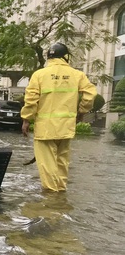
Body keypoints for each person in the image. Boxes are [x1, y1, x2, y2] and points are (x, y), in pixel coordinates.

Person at [21, 42, 97, 192]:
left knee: (47, 165)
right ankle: (61, 192)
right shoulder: (77, 75)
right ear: (66, 57)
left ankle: (51, 198)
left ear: (49, 57)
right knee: (62, 163)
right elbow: (90, 94)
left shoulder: (39, 75)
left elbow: (31, 100)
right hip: (66, 127)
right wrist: (81, 111)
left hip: (45, 129)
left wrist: (26, 119)